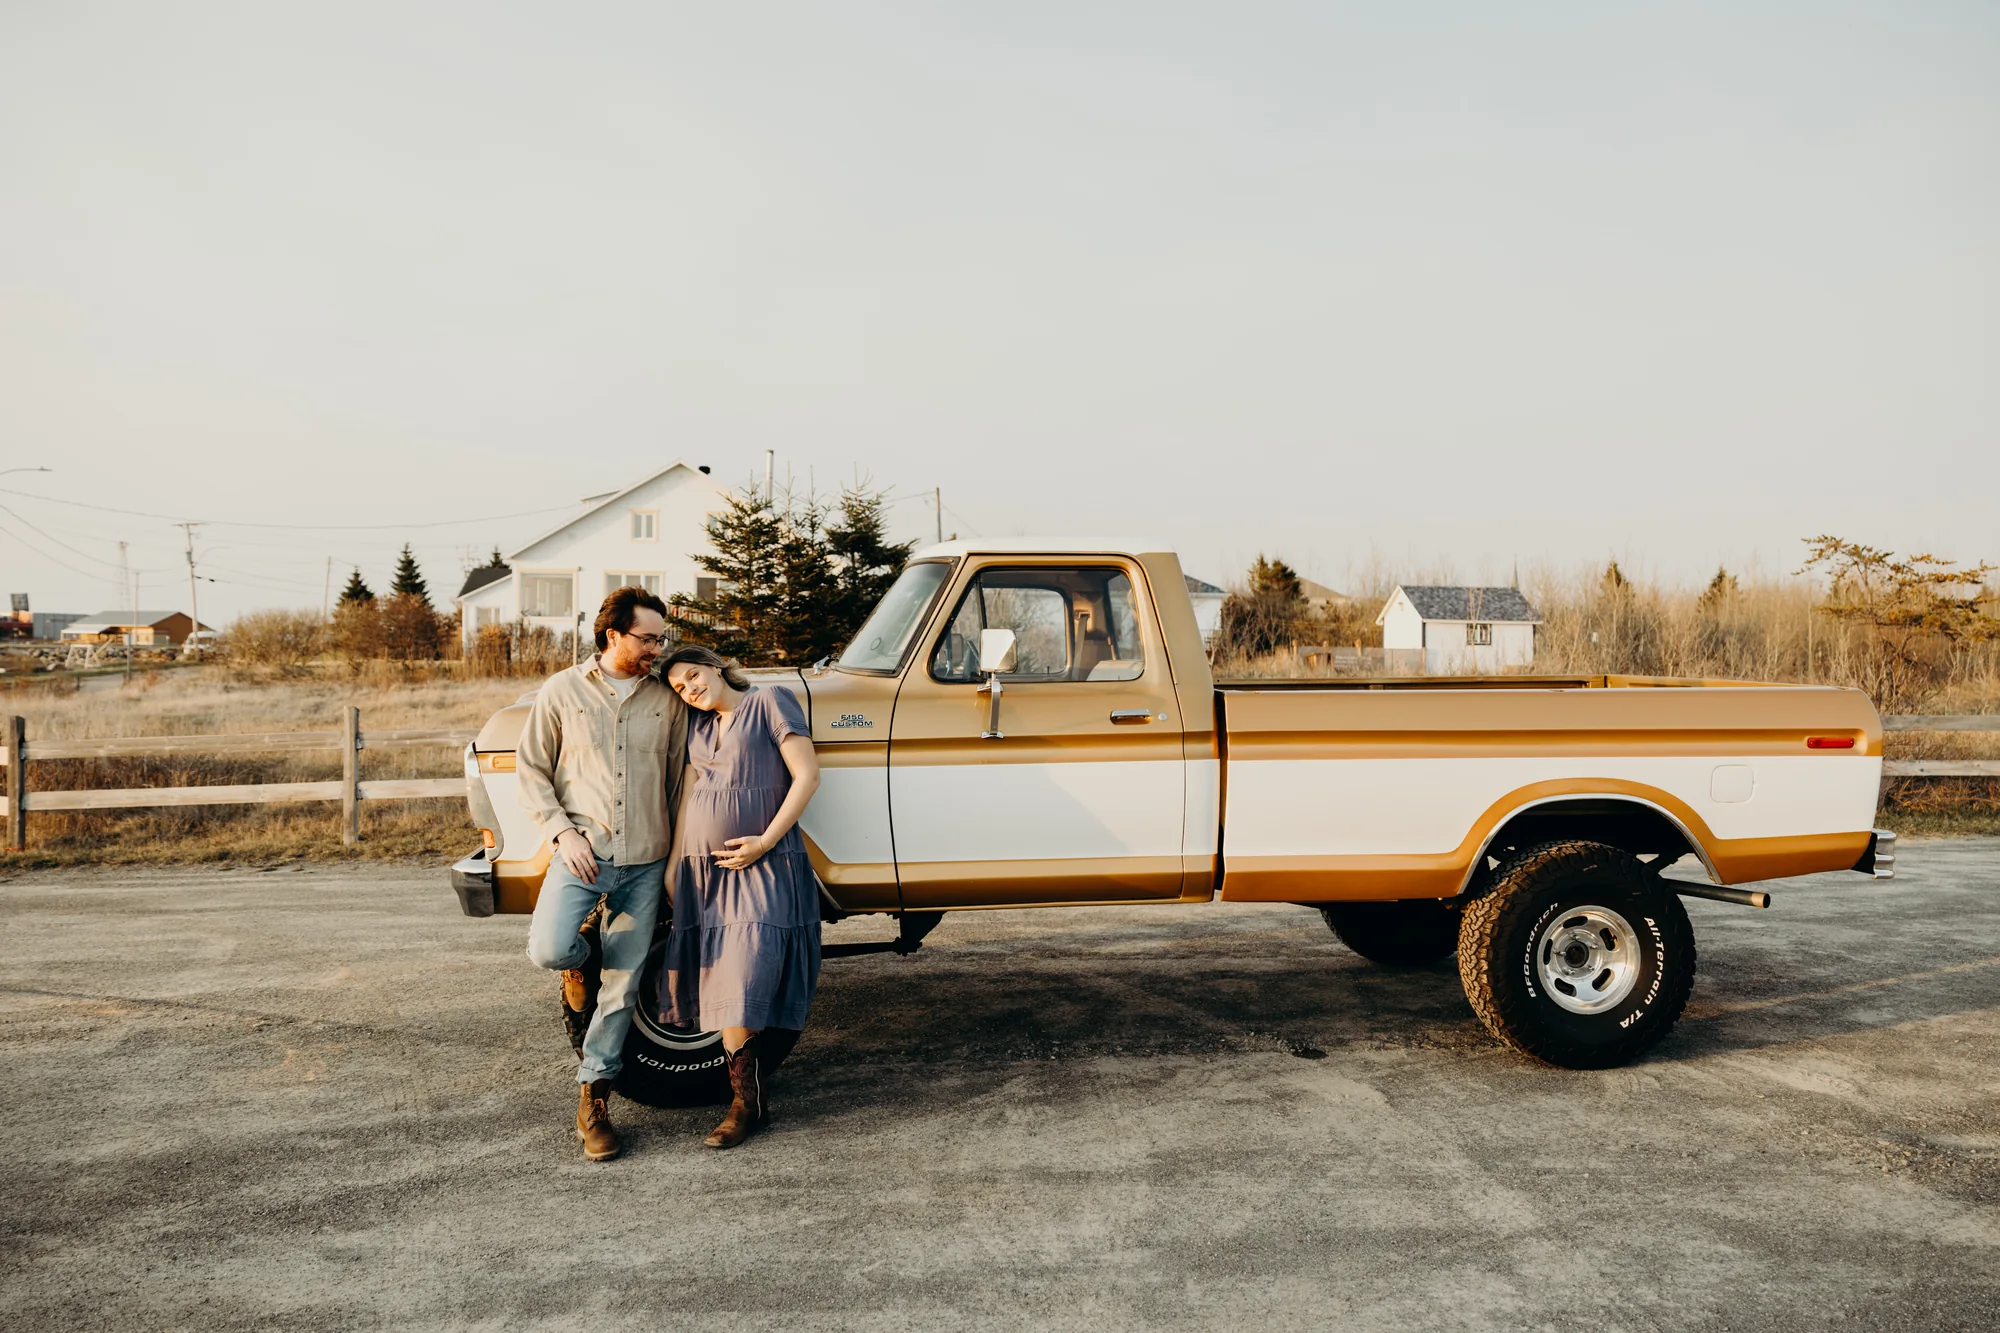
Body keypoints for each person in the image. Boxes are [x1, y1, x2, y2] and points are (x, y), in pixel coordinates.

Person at [517, 586, 687, 1162]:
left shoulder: (667, 698)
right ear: (613, 635)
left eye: (661, 639)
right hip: (582, 854)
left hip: (648, 860)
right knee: (549, 949)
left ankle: (593, 1098)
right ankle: (579, 961)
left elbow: (677, 782)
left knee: (622, 987)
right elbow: (531, 770)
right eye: (648, 639)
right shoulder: (561, 691)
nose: (657, 649)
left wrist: (674, 859)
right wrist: (561, 833)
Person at [658, 644, 822, 1149]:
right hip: (705, 872)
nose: (690, 689)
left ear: (713, 666)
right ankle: (747, 1103)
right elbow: (690, 799)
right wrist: (675, 865)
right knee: (725, 980)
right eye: (680, 688)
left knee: (746, 970)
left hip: (764, 861)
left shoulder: (770, 700)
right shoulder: (699, 727)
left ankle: (744, 1103)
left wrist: (764, 842)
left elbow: (807, 776)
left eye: (693, 676)